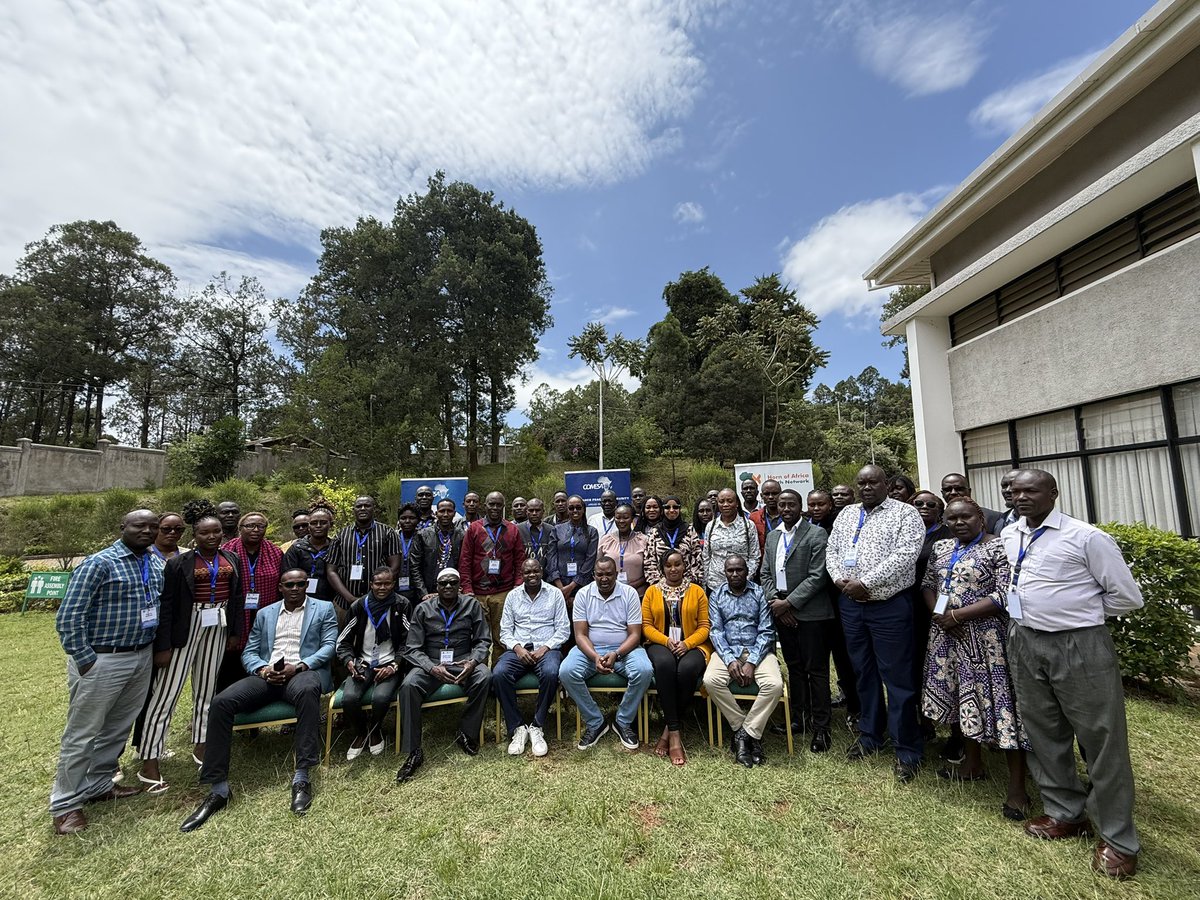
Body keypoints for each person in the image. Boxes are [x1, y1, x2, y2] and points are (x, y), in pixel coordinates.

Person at [1003, 469, 1144, 879]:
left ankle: (1119, 840)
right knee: (1043, 732)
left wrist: (1076, 615)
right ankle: (1065, 812)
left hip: (1079, 645)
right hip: (1025, 641)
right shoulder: (1013, 534)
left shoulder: (1085, 537)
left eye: (1033, 490)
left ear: (1054, 494)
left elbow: (1126, 597)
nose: (1023, 496)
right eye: (1017, 491)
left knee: (1102, 740)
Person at [180, 568, 338, 831]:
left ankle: (302, 776)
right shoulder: (266, 613)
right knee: (221, 703)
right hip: (267, 674)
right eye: (290, 584)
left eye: (300, 584)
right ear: (280, 587)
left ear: (306, 585)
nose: (295, 588)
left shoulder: (323, 608)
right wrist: (263, 670)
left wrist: (299, 666)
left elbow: (329, 645)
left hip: (302, 672)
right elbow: (250, 650)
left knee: (309, 691)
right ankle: (218, 788)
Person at [49, 509, 163, 835]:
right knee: (83, 732)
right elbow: (69, 616)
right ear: (122, 527)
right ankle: (65, 805)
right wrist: (85, 658)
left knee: (117, 727)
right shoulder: (100, 563)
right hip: (103, 658)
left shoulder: (154, 563)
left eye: (152, 526)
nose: (147, 531)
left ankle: (99, 784)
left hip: (140, 655)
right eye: (139, 525)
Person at [922, 498, 1030, 819]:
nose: (958, 523)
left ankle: (1018, 790)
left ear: (980, 517)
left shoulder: (999, 547)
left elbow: (1003, 594)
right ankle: (972, 764)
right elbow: (928, 585)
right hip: (947, 637)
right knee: (961, 700)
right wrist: (942, 615)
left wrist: (958, 615)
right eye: (951, 518)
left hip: (986, 640)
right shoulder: (942, 548)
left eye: (965, 516)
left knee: (1000, 706)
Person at [826, 465, 926, 782]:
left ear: (886, 484)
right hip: (852, 606)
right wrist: (840, 579)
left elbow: (906, 554)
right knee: (863, 673)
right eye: (862, 483)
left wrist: (866, 582)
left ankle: (906, 749)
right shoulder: (846, 514)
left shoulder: (905, 514)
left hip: (888, 605)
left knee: (897, 678)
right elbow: (833, 549)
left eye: (873, 482)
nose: (867, 487)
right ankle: (870, 734)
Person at [138, 515, 244, 793]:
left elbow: (237, 598)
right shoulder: (178, 563)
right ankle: (150, 761)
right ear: (194, 536)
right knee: (165, 695)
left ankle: (202, 746)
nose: (212, 537)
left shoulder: (231, 559)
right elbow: (168, 605)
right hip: (187, 626)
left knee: (207, 692)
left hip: (218, 622)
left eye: (217, 532)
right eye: (205, 533)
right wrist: (163, 646)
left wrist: (235, 632)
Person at [395, 568, 492, 782]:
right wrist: (431, 668)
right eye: (443, 584)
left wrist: (474, 661)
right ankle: (413, 751)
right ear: (436, 587)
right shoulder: (423, 609)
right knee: (409, 685)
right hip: (431, 662)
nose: (448, 587)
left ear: (459, 585)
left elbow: (483, 640)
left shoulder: (471, 605)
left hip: (463, 659)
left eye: (453, 583)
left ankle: (466, 733)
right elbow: (412, 648)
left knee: (484, 676)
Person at [761, 489, 834, 753]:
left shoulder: (816, 534)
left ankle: (821, 728)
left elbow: (818, 576)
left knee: (816, 671)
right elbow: (765, 572)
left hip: (811, 613)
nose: (786, 509)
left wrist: (789, 603)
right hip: (781, 612)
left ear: (800, 507)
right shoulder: (773, 536)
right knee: (794, 667)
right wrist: (777, 604)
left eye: (791, 504)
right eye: (782, 505)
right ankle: (799, 719)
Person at [559, 557, 652, 751]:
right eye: (599, 574)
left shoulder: (629, 594)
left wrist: (616, 654)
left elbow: (635, 634)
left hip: (624, 649)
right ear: (593, 575)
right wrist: (594, 657)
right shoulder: (583, 594)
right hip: (591, 649)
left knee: (644, 670)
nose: (604, 578)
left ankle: (623, 721)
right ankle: (595, 721)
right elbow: (580, 635)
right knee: (566, 671)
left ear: (616, 574)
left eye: (609, 574)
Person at [704, 555, 782, 768]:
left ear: (747, 571)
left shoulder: (759, 593)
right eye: (731, 570)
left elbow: (766, 631)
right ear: (725, 572)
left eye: (739, 570)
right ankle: (745, 730)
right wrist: (729, 660)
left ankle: (744, 735)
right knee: (711, 680)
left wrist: (752, 662)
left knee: (774, 685)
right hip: (727, 651)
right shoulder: (717, 595)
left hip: (757, 651)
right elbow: (716, 632)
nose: (735, 574)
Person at [495, 558, 570, 757]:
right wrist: (518, 648)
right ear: (522, 574)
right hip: (518, 650)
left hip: (546, 649)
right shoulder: (512, 596)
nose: (532, 575)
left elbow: (563, 629)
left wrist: (544, 648)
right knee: (499, 673)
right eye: (527, 572)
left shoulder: (555, 595)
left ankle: (537, 725)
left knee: (552, 671)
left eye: (535, 571)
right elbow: (505, 631)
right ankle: (517, 727)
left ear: (542, 571)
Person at [642, 549, 710, 765]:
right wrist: (666, 641)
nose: (673, 569)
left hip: (693, 644)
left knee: (687, 670)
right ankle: (675, 734)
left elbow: (704, 626)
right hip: (660, 643)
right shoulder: (652, 592)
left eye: (677, 564)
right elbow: (646, 626)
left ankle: (668, 730)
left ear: (685, 566)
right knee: (664, 664)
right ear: (662, 568)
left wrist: (687, 643)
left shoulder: (697, 591)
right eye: (668, 565)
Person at [335, 567, 410, 760]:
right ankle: (361, 732)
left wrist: (395, 665)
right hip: (363, 662)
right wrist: (349, 661)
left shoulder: (402, 605)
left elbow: (409, 642)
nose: (382, 587)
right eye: (378, 583)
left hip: (389, 663)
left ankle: (376, 730)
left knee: (381, 698)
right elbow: (342, 642)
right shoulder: (359, 606)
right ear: (371, 584)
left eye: (387, 583)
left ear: (393, 584)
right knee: (349, 698)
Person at [808, 489, 861, 725]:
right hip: (812, 602)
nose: (817, 508)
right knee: (818, 657)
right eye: (812, 505)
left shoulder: (839, 527)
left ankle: (855, 704)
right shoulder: (805, 526)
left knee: (844, 656)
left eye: (821, 504)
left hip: (837, 599)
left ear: (830, 505)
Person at [217, 512, 283, 691]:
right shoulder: (226, 552)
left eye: (260, 526)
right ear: (240, 529)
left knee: (262, 651)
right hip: (236, 613)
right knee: (232, 659)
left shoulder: (275, 552)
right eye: (250, 526)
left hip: (266, 610)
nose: (255, 530)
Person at [459, 491, 525, 658]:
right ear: (485, 505)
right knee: (477, 638)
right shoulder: (474, 528)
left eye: (498, 504)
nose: (495, 508)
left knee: (501, 638)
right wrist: (467, 589)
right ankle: (480, 675)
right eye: (491, 504)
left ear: (503, 506)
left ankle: (497, 676)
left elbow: (519, 560)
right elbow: (465, 560)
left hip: (503, 593)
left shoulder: (512, 529)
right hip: (477, 593)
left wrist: (517, 586)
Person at [912, 490, 952, 748]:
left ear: (940, 509)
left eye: (931, 504)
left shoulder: (948, 535)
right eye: (918, 504)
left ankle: (952, 726)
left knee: (942, 667)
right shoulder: (906, 533)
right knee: (915, 665)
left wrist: (939, 611)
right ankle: (924, 721)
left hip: (941, 612)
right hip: (908, 608)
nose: (924, 507)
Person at [326, 496, 401, 621]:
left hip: (379, 603)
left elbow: (395, 567)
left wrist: (375, 595)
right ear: (353, 510)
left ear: (374, 509)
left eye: (367, 505)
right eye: (359, 506)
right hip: (345, 603)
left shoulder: (388, 533)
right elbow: (331, 571)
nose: (362, 508)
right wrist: (350, 598)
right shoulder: (341, 535)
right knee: (344, 639)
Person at [703, 488, 762, 592]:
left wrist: (746, 578)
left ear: (737, 503)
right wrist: (707, 578)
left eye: (730, 501)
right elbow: (706, 555)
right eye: (721, 501)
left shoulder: (748, 526)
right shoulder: (711, 526)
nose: (725, 504)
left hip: (741, 585)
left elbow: (755, 556)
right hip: (715, 585)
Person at [549, 495, 599, 609]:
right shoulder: (557, 529)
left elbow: (590, 560)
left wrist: (571, 586)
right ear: (567, 510)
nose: (575, 511)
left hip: (582, 585)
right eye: (571, 508)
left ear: (583, 509)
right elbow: (551, 557)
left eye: (578, 507)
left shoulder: (592, 532)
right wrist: (561, 588)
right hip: (558, 585)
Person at [645, 494, 704, 586]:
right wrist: (658, 584)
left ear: (680, 509)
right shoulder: (655, 532)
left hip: (687, 585)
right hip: (661, 586)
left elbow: (697, 557)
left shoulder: (689, 530)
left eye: (675, 507)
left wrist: (689, 583)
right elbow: (649, 560)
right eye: (667, 507)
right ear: (662, 510)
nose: (671, 510)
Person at [284, 505, 336, 602]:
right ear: (309, 526)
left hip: (329, 599)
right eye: (314, 523)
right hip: (300, 600)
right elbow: (287, 575)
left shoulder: (335, 548)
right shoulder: (296, 548)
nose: (318, 526)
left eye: (323, 523)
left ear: (331, 525)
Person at [598, 504, 649, 597]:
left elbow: (650, 570)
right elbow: (598, 568)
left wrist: (631, 586)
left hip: (638, 594)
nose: (621, 521)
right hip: (612, 594)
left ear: (632, 519)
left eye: (625, 517)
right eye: (618, 518)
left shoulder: (644, 540)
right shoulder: (606, 540)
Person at [418, 498, 464, 592]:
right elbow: (415, 566)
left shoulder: (462, 535)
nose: (446, 515)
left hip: (454, 587)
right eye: (442, 511)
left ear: (454, 514)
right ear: (436, 513)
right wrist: (423, 592)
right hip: (430, 588)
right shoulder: (423, 535)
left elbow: (465, 565)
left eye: (449, 511)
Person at [394, 503, 428, 606]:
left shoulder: (424, 537)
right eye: (403, 518)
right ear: (399, 520)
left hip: (418, 588)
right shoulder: (392, 537)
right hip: (395, 587)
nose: (407, 521)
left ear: (418, 520)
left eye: (412, 518)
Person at [517, 497, 555, 573]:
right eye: (531, 510)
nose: (534, 513)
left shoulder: (551, 530)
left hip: (546, 577)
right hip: (524, 577)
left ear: (543, 511)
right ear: (526, 512)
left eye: (537, 510)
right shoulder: (517, 529)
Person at [993, 469, 1022, 535]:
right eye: (1004, 486)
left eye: (1013, 485)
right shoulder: (1000, 521)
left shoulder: (1043, 519)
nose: (1008, 490)